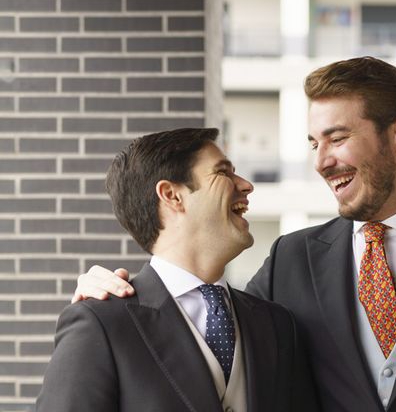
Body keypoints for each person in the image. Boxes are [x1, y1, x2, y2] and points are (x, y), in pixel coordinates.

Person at [72, 57, 396, 411]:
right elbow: (211, 333)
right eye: (314, 142)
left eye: (337, 138)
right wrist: (112, 295)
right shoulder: (292, 258)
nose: (321, 161)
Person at [37, 128, 317, 412]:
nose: (245, 185)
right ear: (172, 195)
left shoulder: (277, 325)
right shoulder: (101, 323)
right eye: (223, 173)